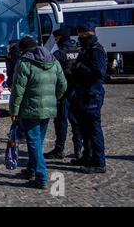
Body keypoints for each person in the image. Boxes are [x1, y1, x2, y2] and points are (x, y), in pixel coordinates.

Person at [9, 36, 67, 190]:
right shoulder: (53, 60)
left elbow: (17, 90)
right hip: (48, 109)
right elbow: (63, 84)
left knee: (34, 142)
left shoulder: (24, 63)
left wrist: (14, 110)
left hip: (30, 110)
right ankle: (31, 170)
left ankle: (41, 176)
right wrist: (54, 98)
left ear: (23, 50)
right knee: (37, 142)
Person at [71, 22, 108, 174]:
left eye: (81, 34)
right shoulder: (87, 48)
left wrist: (80, 68)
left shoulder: (95, 49)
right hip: (84, 94)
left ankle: (99, 162)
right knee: (84, 128)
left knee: (93, 130)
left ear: (89, 34)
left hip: (92, 94)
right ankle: (88, 157)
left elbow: (99, 72)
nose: (79, 37)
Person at [44, 26, 83, 160]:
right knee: (76, 122)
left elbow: (51, 74)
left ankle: (59, 149)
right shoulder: (80, 50)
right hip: (78, 92)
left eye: (56, 38)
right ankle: (78, 150)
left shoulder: (59, 54)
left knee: (61, 121)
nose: (55, 41)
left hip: (63, 93)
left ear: (60, 38)